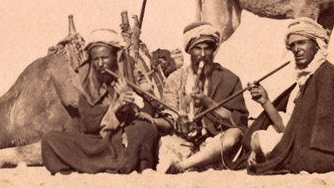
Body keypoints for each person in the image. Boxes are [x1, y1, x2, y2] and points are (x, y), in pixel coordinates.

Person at [240, 18, 334, 174]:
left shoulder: (326, 75)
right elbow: (287, 128)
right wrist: (265, 101)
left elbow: (331, 132)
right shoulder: (304, 80)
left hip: (331, 146)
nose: (296, 49)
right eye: (292, 45)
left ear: (316, 44)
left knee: (306, 158)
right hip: (306, 142)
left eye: (301, 43)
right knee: (256, 138)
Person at [40, 29, 159, 174]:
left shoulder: (131, 80)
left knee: (142, 129)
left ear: (115, 58)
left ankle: (103, 164)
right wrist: (115, 107)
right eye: (96, 59)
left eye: (105, 58)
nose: (100, 64)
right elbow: (90, 127)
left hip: (120, 140)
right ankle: (113, 164)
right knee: (50, 139)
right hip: (95, 143)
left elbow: (146, 115)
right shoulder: (87, 89)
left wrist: (130, 104)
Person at [155, 22, 247, 173]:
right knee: (165, 144)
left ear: (214, 50)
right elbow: (168, 116)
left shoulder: (230, 79)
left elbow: (237, 122)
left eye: (207, 48)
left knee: (233, 136)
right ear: (189, 51)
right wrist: (179, 120)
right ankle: (194, 163)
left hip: (214, 142)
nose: (203, 54)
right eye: (197, 48)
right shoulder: (175, 78)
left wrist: (208, 103)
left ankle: (182, 166)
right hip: (183, 140)